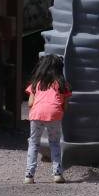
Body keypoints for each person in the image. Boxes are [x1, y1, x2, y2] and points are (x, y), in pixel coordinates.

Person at [24, 54, 72, 184]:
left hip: (36, 115)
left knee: (34, 143)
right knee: (55, 143)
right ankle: (57, 174)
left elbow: (29, 103)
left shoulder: (36, 84)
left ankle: (29, 175)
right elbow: (65, 106)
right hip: (54, 114)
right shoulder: (62, 84)